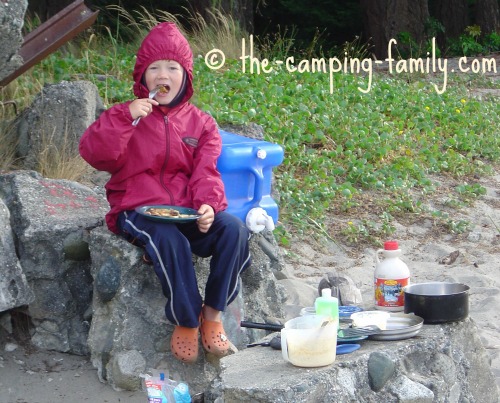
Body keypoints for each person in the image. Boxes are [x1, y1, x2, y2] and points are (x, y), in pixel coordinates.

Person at [79, 22, 251, 363]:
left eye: (172, 68)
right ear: (142, 78)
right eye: (154, 68)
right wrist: (124, 119)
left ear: (185, 77)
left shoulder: (201, 123)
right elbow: (94, 153)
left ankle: (213, 315)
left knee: (234, 229)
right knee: (169, 240)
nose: (163, 75)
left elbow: (207, 171)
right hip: (137, 209)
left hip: (185, 211)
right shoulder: (124, 115)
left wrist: (207, 205)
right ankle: (186, 319)